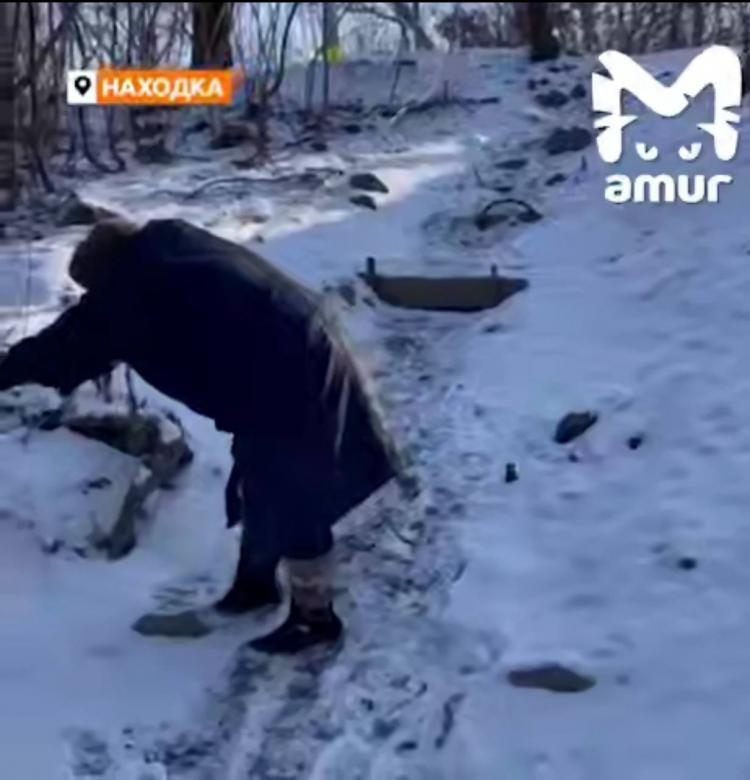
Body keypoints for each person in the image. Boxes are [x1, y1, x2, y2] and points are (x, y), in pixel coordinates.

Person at [0, 218, 405, 654]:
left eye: (93, 290)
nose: (93, 298)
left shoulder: (132, 291)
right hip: (300, 340)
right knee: (262, 480)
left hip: (286, 373)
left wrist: (8, 373)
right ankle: (254, 587)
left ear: (106, 274)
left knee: (291, 493)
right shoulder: (167, 247)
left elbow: (64, 346)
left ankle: (315, 619)